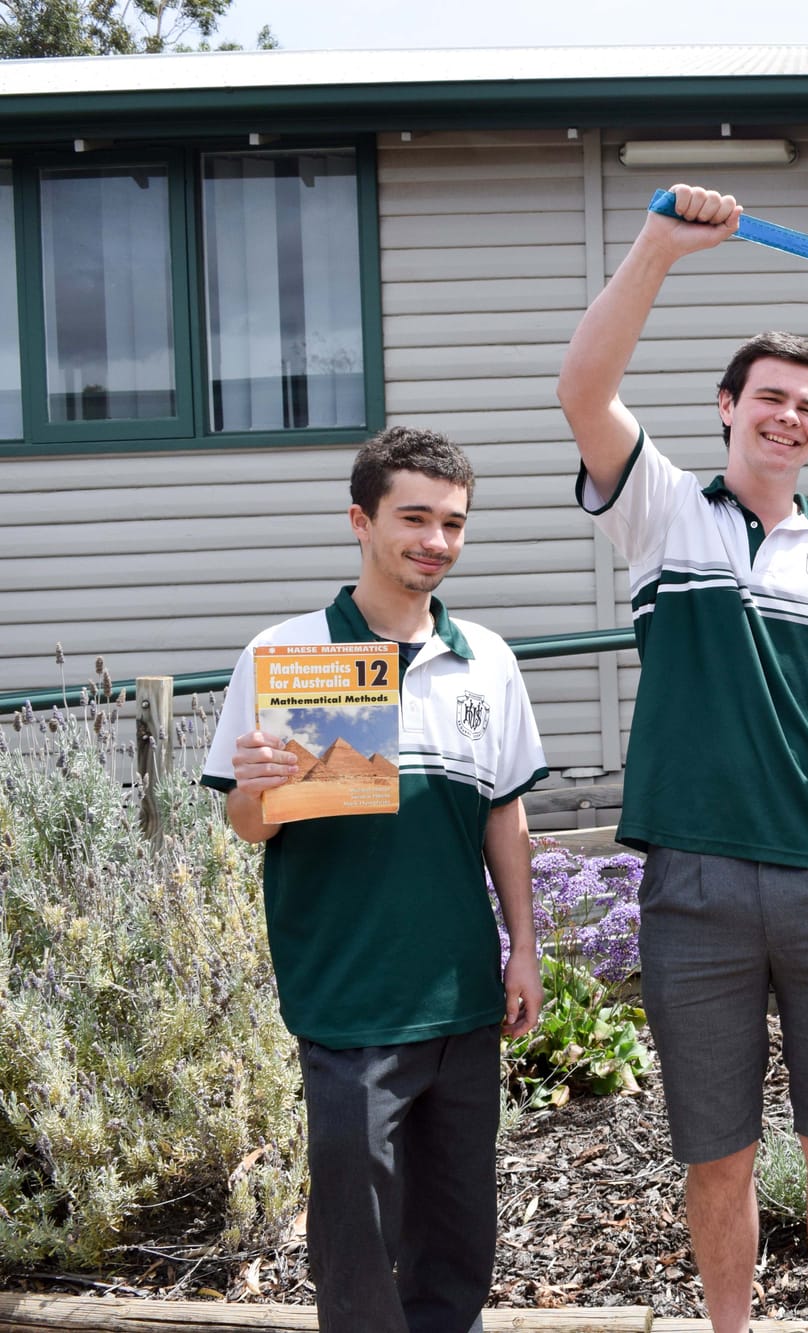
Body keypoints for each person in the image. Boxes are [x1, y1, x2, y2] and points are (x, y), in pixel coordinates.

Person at [555, 183, 808, 1333]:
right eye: (770, 398)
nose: (789, 418)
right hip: (697, 885)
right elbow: (581, 388)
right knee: (717, 1156)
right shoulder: (663, 513)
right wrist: (659, 249)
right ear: (726, 406)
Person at [201, 426, 549, 1333]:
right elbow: (244, 826)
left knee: (459, 1240)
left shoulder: (489, 662)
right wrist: (261, 788)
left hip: (463, 1001)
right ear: (360, 520)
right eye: (415, 518)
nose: (436, 540)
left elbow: (503, 817)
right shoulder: (288, 657)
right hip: (350, 1003)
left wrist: (525, 949)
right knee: (357, 1257)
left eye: (453, 523)